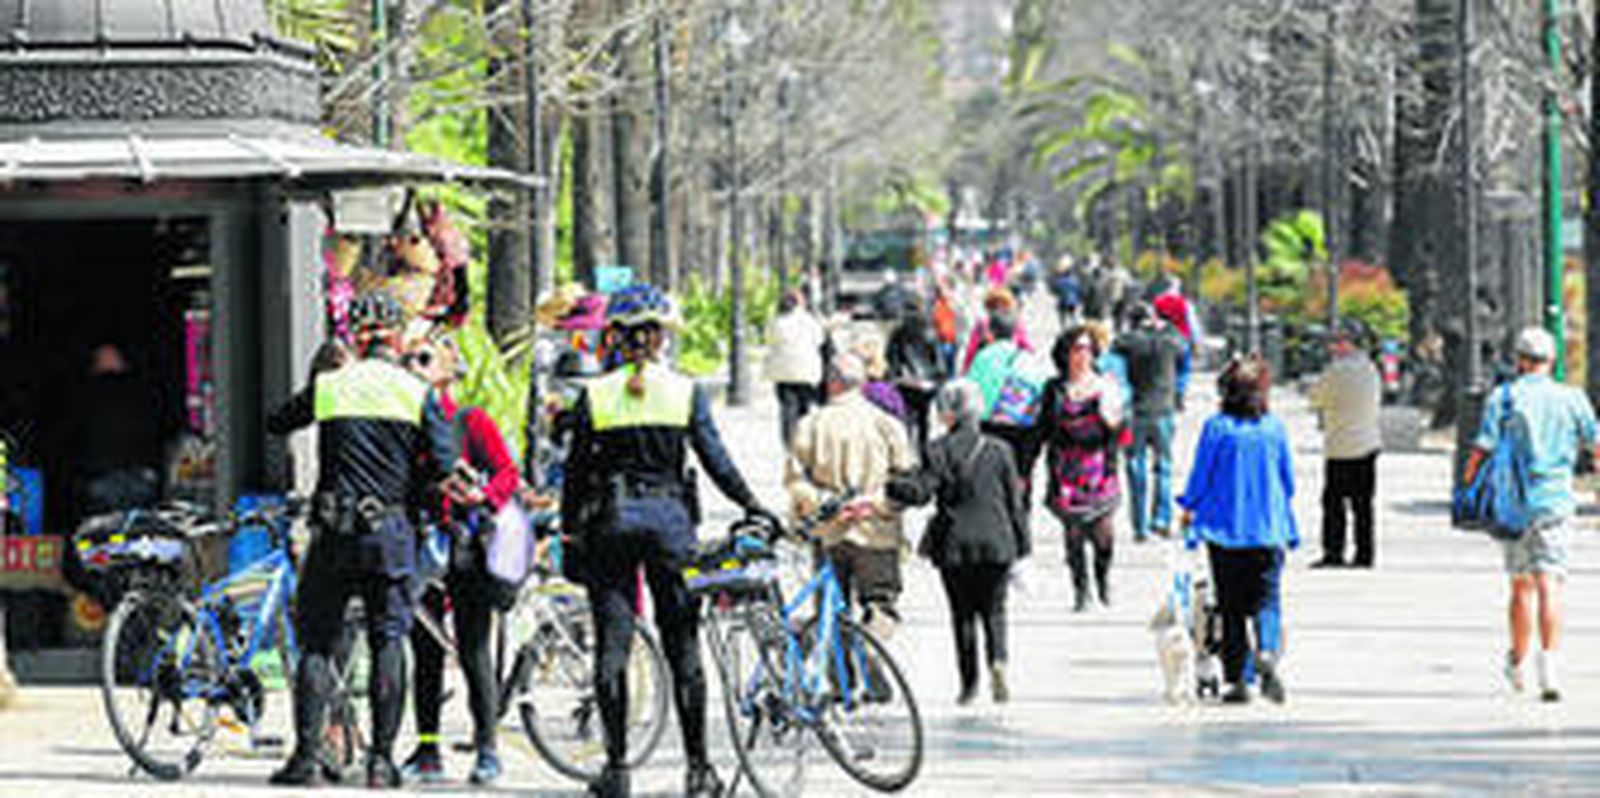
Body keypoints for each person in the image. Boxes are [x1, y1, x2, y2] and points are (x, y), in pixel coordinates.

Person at [562, 284, 771, 797]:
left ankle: (616, 769)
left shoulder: (595, 395)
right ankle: (698, 769)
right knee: (683, 647)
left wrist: (569, 532)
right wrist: (752, 505)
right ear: (658, 339)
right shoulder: (684, 391)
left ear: (615, 338)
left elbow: (575, 474)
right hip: (671, 525)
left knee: (612, 647)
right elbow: (715, 460)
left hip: (610, 525)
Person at [269, 292, 457, 787]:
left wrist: (324, 379)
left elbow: (278, 422)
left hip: (334, 531)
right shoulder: (416, 392)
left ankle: (306, 759)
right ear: (397, 337)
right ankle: (380, 762)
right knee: (388, 640)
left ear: (355, 335)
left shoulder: (332, 386)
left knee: (316, 642)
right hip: (390, 532)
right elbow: (443, 463)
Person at [399, 336, 521, 785]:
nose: (414, 366)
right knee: (424, 650)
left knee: (474, 647)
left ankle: (487, 749)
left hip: (468, 546)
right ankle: (427, 748)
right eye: (409, 358)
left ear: (449, 369)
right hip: (423, 544)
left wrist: (482, 497)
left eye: (425, 358)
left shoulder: (470, 422)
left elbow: (508, 473)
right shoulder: (405, 423)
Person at [1463, 327, 1599, 702]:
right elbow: (1596, 443)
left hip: (1514, 505)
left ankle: (1518, 661)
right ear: (1552, 360)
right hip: (1555, 503)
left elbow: (1483, 447)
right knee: (1550, 583)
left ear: (1520, 361)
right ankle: (1550, 667)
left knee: (1521, 585)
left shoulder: (1503, 397)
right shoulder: (1572, 398)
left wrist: (1467, 483)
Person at [888, 380, 1029, 705]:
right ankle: (998, 661)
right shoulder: (1000, 450)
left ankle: (969, 685)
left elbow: (921, 493)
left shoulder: (937, 450)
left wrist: (890, 485)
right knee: (995, 610)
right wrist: (1023, 547)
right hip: (997, 541)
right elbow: (1015, 504)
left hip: (954, 543)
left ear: (948, 413)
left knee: (962, 614)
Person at [1179, 356, 1297, 705]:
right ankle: (1267, 650)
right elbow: (1287, 480)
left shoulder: (1216, 428)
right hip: (1268, 528)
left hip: (1224, 531)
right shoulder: (1274, 428)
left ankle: (1239, 680)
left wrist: (1188, 505)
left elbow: (1201, 475)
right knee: (1267, 599)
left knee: (1230, 607)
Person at [786, 351, 917, 637]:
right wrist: (876, 504)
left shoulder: (811, 424)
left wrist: (822, 503)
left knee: (830, 614)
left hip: (829, 530)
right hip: (876, 530)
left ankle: (840, 662)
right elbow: (907, 484)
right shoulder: (887, 425)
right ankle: (872, 652)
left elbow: (795, 481)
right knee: (880, 607)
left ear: (831, 382)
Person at [1037, 326, 1123, 612]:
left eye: (1087, 348)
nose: (1083, 355)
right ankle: (1081, 588)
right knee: (1073, 534)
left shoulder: (1106, 385)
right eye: (1077, 349)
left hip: (1099, 468)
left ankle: (1103, 579)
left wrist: (1115, 422)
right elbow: (1042, 429)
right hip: (1067, 469)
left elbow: (1121, 430)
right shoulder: (1054, 389)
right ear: (1066, 354)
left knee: (1104, 535)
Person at [1308, 321, 1383, 569]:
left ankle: (1334, 552)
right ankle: (1365, 553)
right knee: (1363, 505)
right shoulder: (1371, 369)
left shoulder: (1335, 371)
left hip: (1340, 445)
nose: (1333, 347)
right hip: (1368, 443)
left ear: (1347, 345)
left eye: (1337, 342)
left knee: (1334, 503)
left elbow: (1315, 398)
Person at [1113, 303, 1185, 542]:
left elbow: (1112, 354)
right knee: (1163, 466)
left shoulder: (1129, 343)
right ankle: (1161, 519)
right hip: (1164, 409)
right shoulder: (1171, 340)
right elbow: (1184, 352)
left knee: (1136, 466)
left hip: (1136, 411)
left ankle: (1140, 525)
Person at [763, 289, 827, 448]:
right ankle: (803, 439)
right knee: (804, 407)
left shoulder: (775, 321)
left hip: (782, 373)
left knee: (787, 407)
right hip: (806, 371)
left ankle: (788, 441)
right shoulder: (808, 320)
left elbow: (768, 339)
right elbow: (820, 339)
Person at [887, 300, 950, 453]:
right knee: (924, 420)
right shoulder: (929, 331)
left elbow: (891, 357)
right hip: (927, 383)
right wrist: (938, 380)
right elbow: (938, 361)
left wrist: (896, 376)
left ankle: (907, 451)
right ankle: (924, 453)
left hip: (906, 382)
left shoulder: (898, 332)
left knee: (907, 419)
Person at [1152, 277, 1201, 409]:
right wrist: (1196, 342)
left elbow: (1153, 321)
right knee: (1183, 369)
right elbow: (1192, 324)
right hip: (1181, 339)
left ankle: (1164, 395)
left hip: (1162, 340)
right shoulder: (1185, 303)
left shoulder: (1157, 302)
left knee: (1163, 368)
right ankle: (1179, 394)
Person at [960, 287, 1033, 375]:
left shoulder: (1016, 323)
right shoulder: (982, 323)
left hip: (1005, 367)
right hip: (987, 368)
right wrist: (966, 369)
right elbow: (972, 348)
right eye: (994, 305)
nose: (999, 308)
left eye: (1002, 304)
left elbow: (1025, 345)